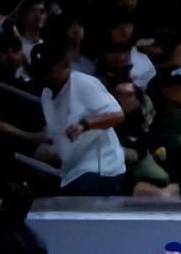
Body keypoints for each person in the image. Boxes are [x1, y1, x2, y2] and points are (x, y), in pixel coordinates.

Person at [33, 43, 126, 195]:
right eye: (41, 72)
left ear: (64, 65)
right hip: (72, 169)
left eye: (49, 72)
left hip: (102, 168)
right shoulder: (46, 95)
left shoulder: (83, 83)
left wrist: (84, 125)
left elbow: (117, 115)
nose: (46, 77)